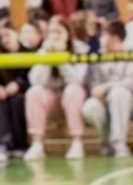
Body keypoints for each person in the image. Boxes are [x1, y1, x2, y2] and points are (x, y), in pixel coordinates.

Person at [23, 22, 89, 161]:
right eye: (51, 32)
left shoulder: (80, 49)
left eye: (59, 32)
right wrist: (48, 57)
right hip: (52, 99)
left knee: (73, 90)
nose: (55, 36)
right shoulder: (43, 50)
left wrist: (60, 59)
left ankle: (77, 142)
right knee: (34, 92)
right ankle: (37, 144)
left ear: (68, 34)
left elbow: (77, 80)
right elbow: (36, 81)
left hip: (73, 99)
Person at [82, 23, 133, 158]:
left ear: (115, 38)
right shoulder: (98, 57)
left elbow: (132, 83)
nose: (101, 39)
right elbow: (94, 85)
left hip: (127, 101)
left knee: (118, 93)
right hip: (103, 100)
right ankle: (106, 142)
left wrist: (107, 88)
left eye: (104, 35)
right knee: (90, 107)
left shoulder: (131, 54)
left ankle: (119, 143)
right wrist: (98, 91)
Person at [0, 24, 30, 164]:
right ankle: (1, 144)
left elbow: (30, 75)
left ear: (16, 34)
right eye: (1, 37)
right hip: (4, 96)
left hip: (23, 94)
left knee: (17, 101)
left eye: (7, 35)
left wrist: (19, 84)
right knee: (1, 103)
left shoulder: (29, 53)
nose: (5, 40)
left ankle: (20, 144)